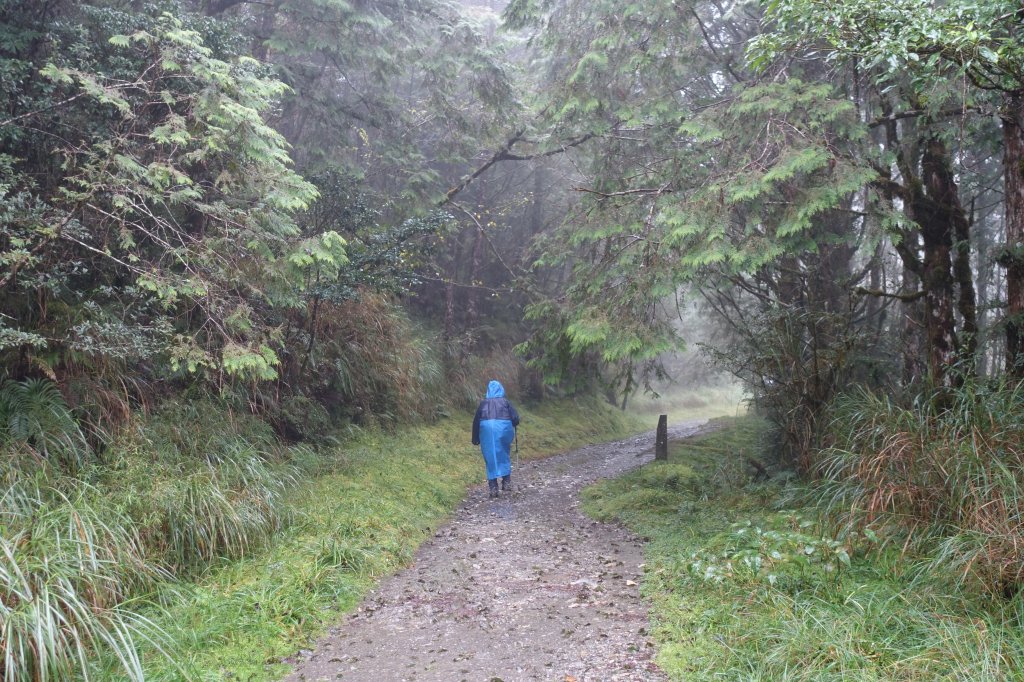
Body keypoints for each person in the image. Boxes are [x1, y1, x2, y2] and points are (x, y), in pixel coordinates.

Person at [471, 380, 520, 498]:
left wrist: (475, 438)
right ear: (501, 389)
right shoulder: (505, 402)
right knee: (503, 452)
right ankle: (506, 481)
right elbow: (515, 419)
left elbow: (476, 422)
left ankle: (493, 487)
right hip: (503, 427)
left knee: (490, 455)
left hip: (486, 428)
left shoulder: (483, 404)